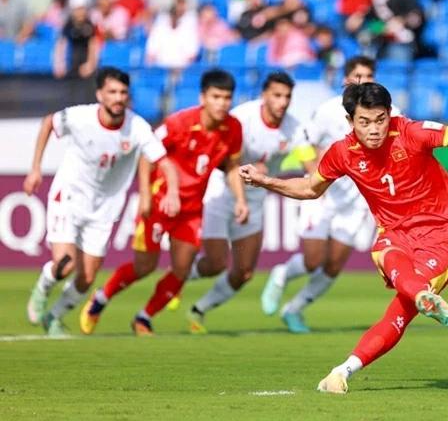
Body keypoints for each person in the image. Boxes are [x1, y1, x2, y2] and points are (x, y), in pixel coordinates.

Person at [243, 82, 448, 393]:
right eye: (364, 122)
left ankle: (345, 367)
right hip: (394, 234)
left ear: (390, 114)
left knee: (399, 312)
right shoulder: (342, 152)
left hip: (439, 237)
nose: (374, 129)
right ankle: (415, 301)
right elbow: (309, 188)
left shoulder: (412, 132)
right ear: (350, 121)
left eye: (380, 119)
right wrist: (265, 181)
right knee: (388, 255)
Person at [80, 69, 247, 336]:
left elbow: (232, 166)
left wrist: (240, 199)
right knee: (144, 266)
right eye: (216, 97)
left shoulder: (233, 128)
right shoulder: (179, 123)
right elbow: (147, 155)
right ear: (203, 97)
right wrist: (146, 196)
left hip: (191, 210)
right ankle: (101, 298)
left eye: (227, 98)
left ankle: (144, 318)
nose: (222, 103)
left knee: (182, 268)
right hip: (159, 204)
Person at [23, 67, 180, 336]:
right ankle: (42, 288)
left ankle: (53, 318)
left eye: (123, 92)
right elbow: (49, 122)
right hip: (70, 195)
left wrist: (172, 191)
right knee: (66, 264)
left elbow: (163, 162)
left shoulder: (137, 127)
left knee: (86, 278)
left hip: (104, 209)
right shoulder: (81, 117)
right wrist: (35, 168)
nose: (118, 97)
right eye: (112, 92)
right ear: (100, 95)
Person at [260, 57, 384, 333]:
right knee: (313, 259)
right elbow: (304, 142)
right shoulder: (329, 110)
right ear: (346, 80)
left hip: (355, 201)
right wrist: (314, 175)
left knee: (334, 264)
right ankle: (281, 274)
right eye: (358, 76)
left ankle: (294, 309)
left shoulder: (388, 111)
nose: (363, 81)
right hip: (322, 194)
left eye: (368, 76)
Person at [184, 72, 313, 333]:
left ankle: (198, 310)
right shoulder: (242, 118)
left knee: (244, 272)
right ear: (264, 95)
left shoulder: (295, 128)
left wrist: (320, 177)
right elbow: (217, 156)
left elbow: (310, 162)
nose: (282, 102)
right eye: (277, 95)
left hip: (255, 199)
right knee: (215, 263)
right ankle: (175, 280)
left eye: (287, 97)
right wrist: (248, 167)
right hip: (221, 192)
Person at [53, 0, 99, 82]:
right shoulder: (68, 25)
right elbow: (61, 45)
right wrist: (60, 65)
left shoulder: (90, 25)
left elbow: (93, 45)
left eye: (83, 9)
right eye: (78, 9)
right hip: (70, 67)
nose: (80, 13)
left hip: (85, 68)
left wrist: (90, 64)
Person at [145, 0, 199, 69]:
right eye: (172, 15)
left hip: (182, 68)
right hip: (161, 68)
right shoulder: (158, 30)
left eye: (176, 15)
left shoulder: (188, 31)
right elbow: (150, 53)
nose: (174, 17)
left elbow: (192, 55)